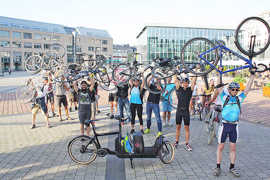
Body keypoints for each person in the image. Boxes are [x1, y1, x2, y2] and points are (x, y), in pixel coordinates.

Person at [208, 69, 256, 177]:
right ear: (229, 90)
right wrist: (219, 73)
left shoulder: (239, 98)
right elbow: (220, 86)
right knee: (220, 147)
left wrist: (252, 75)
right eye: (233, 89)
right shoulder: (224, 97)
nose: (235, 91)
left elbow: (247, 89)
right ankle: (218, 167)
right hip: (224, 125)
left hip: (234, 126)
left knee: (233, 148)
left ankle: (232, 167)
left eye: (236, 89)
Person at [173, 74, 197, 151]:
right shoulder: (178, 88)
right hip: (179, 111)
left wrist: (195, 73)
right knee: (178, 127)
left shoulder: (190, 90)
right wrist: (174, 72)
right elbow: (175, 80)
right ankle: (176, 142)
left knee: (187, 128)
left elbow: (194, 82)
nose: (185, 84)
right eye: (184, 82)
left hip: (186, 111)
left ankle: (187, 144)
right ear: (182, 83)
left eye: (186, 82)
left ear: (188, 83)